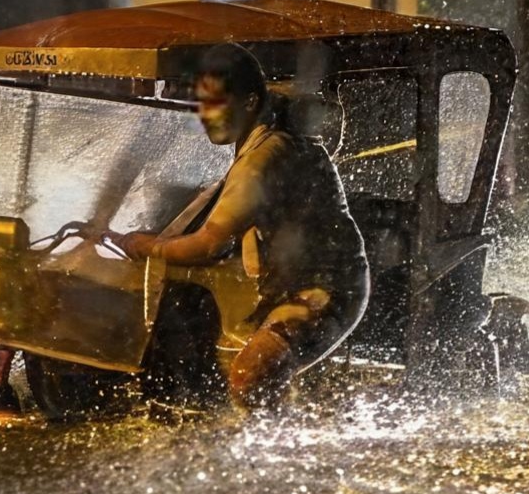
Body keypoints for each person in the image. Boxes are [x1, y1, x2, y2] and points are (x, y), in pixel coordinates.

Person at [115, 43, 369, 411]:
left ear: (250, 102)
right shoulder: (262, 140)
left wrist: (144, 246)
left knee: (251, 377)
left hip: (325, 293)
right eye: (201, 105)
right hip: (282, 286)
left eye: (217, 104)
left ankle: (273, 460)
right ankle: (197, 414)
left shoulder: (264, 158)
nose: (206, 116)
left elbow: (208, 246)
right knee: (185, 304)